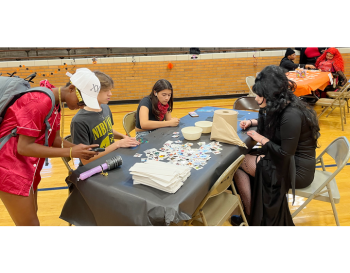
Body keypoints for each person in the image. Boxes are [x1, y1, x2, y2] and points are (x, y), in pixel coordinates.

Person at [0, 68, 101, 226]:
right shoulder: (39, 101)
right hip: (10, 169)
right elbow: (24, 147)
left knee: (32, 215)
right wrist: (70, 151)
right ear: (72, 88)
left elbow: (53, 139)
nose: (82, 106)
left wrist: (78, 149)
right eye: (82, 101)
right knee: (29, 225)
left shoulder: (55, 103)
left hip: (27, 168)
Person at [232, 65, 320, 226]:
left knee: (238, 164)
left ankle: (252, 216)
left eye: (259, 95)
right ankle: (252, 214)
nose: (257, 99)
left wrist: (260, 138)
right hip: (287, 160)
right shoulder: (283, 104)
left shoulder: (291, 115)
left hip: (297, 170)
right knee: (242, 164)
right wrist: (253, 121)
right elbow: (278, 126)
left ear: (271, 94)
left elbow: (285, 154)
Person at [70, 71, 140, 166]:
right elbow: (86, 161)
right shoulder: (79, 121)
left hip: (110, 159)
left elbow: (108, 130)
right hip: (94, 167)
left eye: (110, 90)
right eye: (106, 90)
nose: (110, 94)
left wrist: (124, 137)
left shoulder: (105, 107)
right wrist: (117, 144)